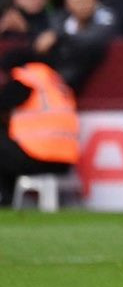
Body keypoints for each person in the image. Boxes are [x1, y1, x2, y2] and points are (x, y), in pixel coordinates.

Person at [0, 49, 79, 205]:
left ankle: (5, 198)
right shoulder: (53, 80)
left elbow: (3, 102)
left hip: (38, 156)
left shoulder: (26, 78)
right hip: (66, 162)